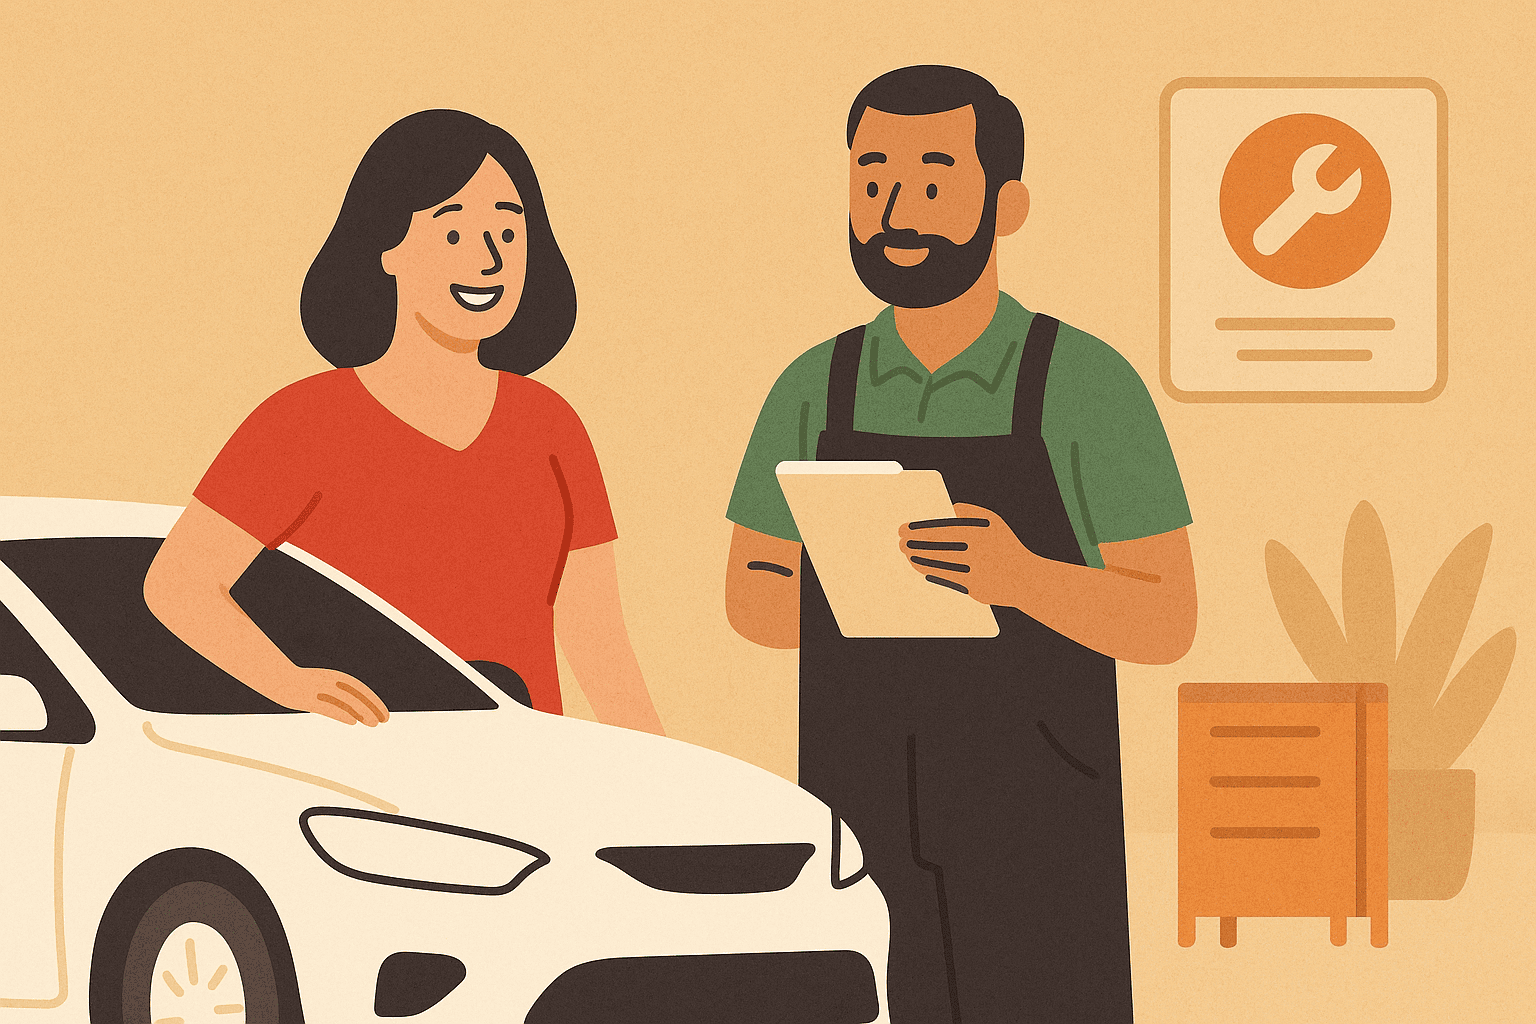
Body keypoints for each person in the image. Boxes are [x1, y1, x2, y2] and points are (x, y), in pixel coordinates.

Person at [724, 67, 1196, 1023]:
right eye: (871, 178)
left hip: (1038, 828)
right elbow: (750, 596)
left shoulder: (1087, 384)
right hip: (858, 814)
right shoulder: (813, 385)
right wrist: (860, 577)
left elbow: (1167, 617)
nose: (896, 210)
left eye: (934, 179)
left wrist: (1021, 577)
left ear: (1006, 205)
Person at [145, 109, 663, 736]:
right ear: (386, 248)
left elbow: (599, 640)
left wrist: (663, 772)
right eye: (454, 233)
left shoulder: (551, 426)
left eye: (508, 232)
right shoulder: (304, 421)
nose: (489, 260)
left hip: (521, 764)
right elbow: (179, 584)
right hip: (361, 772)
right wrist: (288, 682)